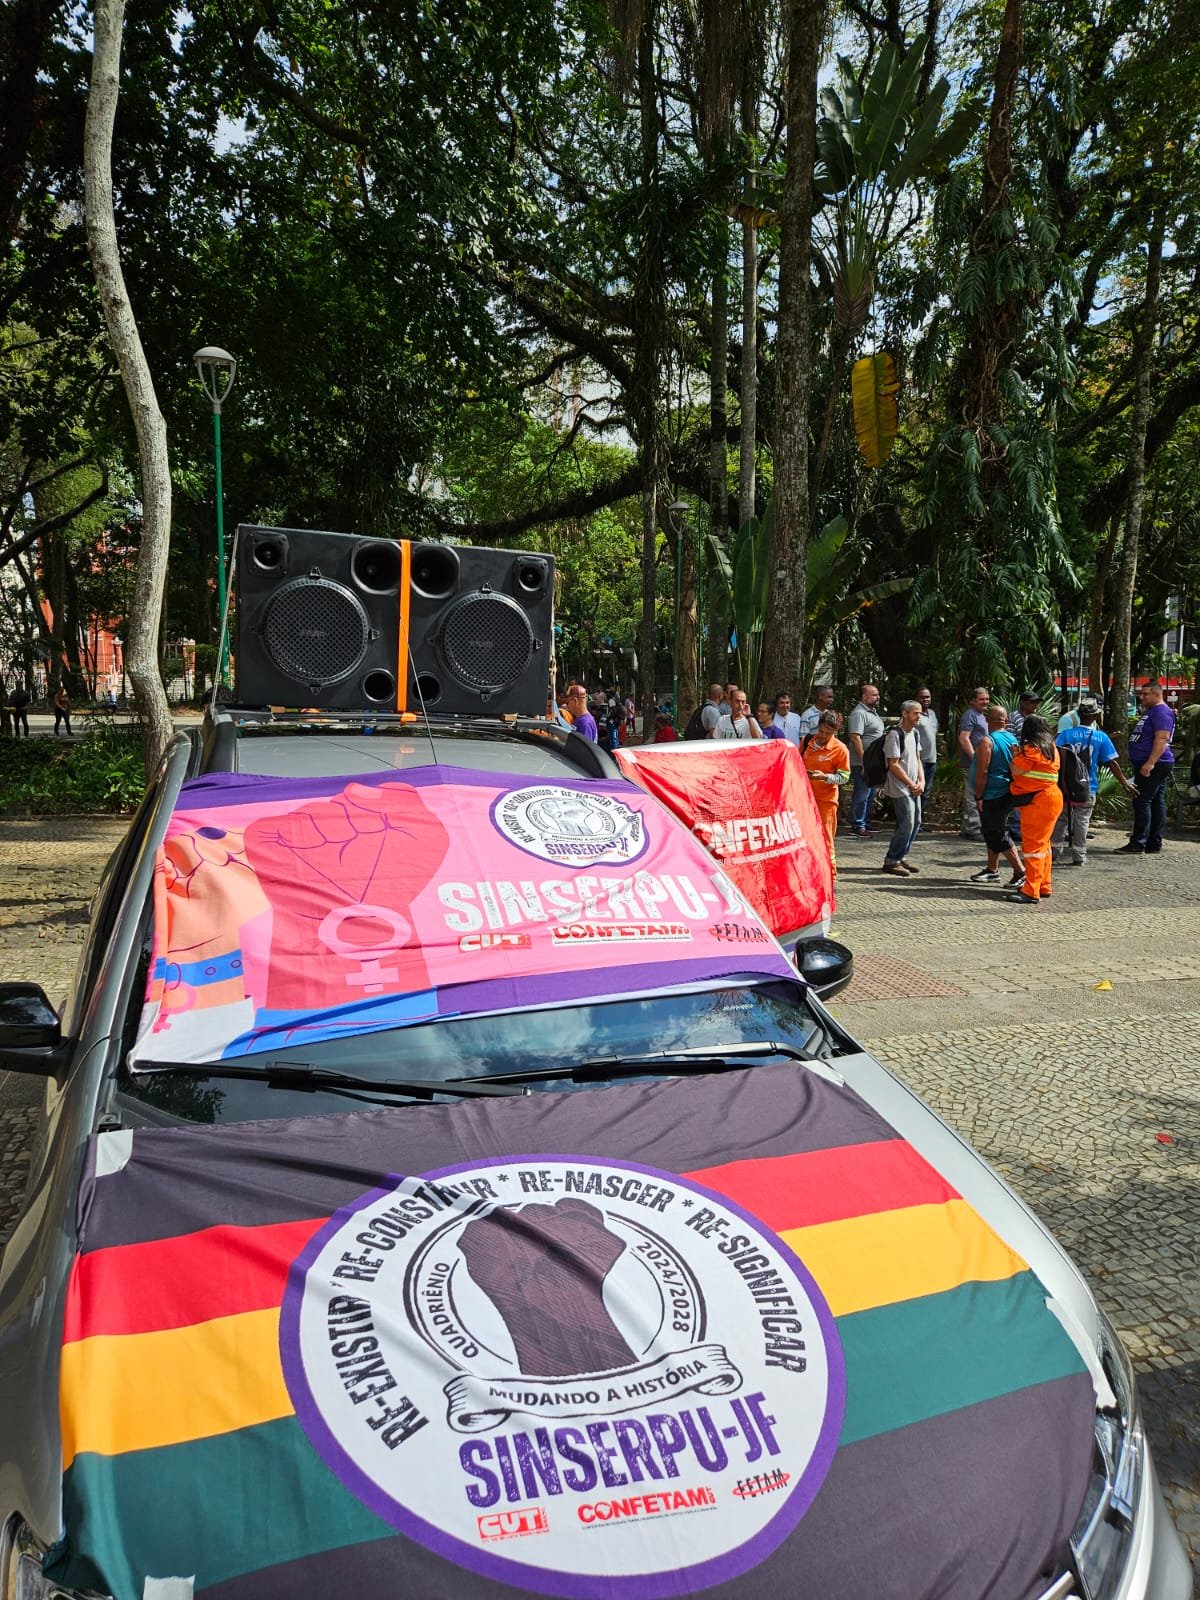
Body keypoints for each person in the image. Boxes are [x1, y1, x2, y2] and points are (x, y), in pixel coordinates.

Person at [1054, 704, 1135, 865]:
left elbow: (1053, 757)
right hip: (1087, 787)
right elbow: (1111, 762)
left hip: (1064, 787)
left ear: (1079, 715)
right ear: (1094, 716)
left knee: (1061, 820)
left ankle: (1054, 852)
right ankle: (1079, 856)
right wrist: (1124, 782)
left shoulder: (1065, 735)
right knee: (1082, 821)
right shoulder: (1101, 737)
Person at [1115, 680, 1176, 855]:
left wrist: (1150, 762)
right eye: (1141, 694)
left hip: (1156, 763)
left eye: (1145, 694)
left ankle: (1138, 842)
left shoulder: (1161, 712)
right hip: (1151, 762)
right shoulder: (1151, 712)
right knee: (1155, 801)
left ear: (1157, 694)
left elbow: (1162, 738)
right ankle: (1153, 842)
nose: (1142, 697)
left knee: (1142, 800)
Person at [1006, 716, 1062, 905]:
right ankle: (1043, 885)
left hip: (1038, 801)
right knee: (1043, 845)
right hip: (1051, 797)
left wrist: (1015, 756)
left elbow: (1017, 771)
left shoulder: (1031, 748)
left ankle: (1031, 891)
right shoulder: (1051, 747)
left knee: (1033, 847)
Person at [968, 705, 1025, 889]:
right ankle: (992, 869)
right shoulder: (1012, 739)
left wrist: (979, 795)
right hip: (1007, 791)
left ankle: (1021, 871)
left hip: (992, 794)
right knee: (991, 831)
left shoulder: (987, 741)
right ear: (1005, 721)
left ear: (987, 720)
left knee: (998, 833)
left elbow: (982, 771)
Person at [802, 710, 850, 877]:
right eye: (821, 731)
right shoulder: (807, 741)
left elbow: (844, 777)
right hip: (805, 799)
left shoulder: (840, 749)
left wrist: (825, 777)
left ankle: (830, 875)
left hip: (826, 802)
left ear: (835, 731)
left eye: (828, 733)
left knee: (826, 838)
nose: (823, 736)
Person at [880, 701, 925, 876]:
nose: (919, 716)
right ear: (905, 714)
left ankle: (902, 855)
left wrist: (921, 781)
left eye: (920, 713)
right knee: (907, 821)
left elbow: (918, 759)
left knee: (916, 821)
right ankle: (892, 860)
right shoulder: (894, 734)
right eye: (915, 713)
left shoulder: (915, 733)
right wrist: (911, 784)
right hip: (899, 786)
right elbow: (893, 764)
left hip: (913, 785)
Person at [846, 682, 884, 836]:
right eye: (874, 695)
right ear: (864, 696)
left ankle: (866, 822)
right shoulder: (859, 713)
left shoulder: (872, 712)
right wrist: (864, 761)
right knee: (862, 793)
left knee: (870, 794)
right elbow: (855, 738)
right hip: (862, 762)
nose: (878, 697)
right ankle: (858, 824)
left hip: (874, 762)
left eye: (877, 694)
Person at [956, 686, 990, 840]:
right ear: (973, 701)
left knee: (974, 794)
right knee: (972, 795)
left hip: (979, 762)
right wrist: (975, 758)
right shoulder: (970, 715)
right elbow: (964, 738)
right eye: (981, 699)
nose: (985, 702)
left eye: (987, 699)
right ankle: (974, 829)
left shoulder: (981, 716)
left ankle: (967, 827)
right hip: (971, 763)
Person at [915, 687, 938, 829]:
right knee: (917, 791)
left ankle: (919, 822)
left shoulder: (932, 714)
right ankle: (913, 823)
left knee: (926, 793)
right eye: (922, 697)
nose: (926, 699)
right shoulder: (914, 714)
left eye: (928, 697)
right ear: (917, 698)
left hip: (932, 759)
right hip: (919, 760)